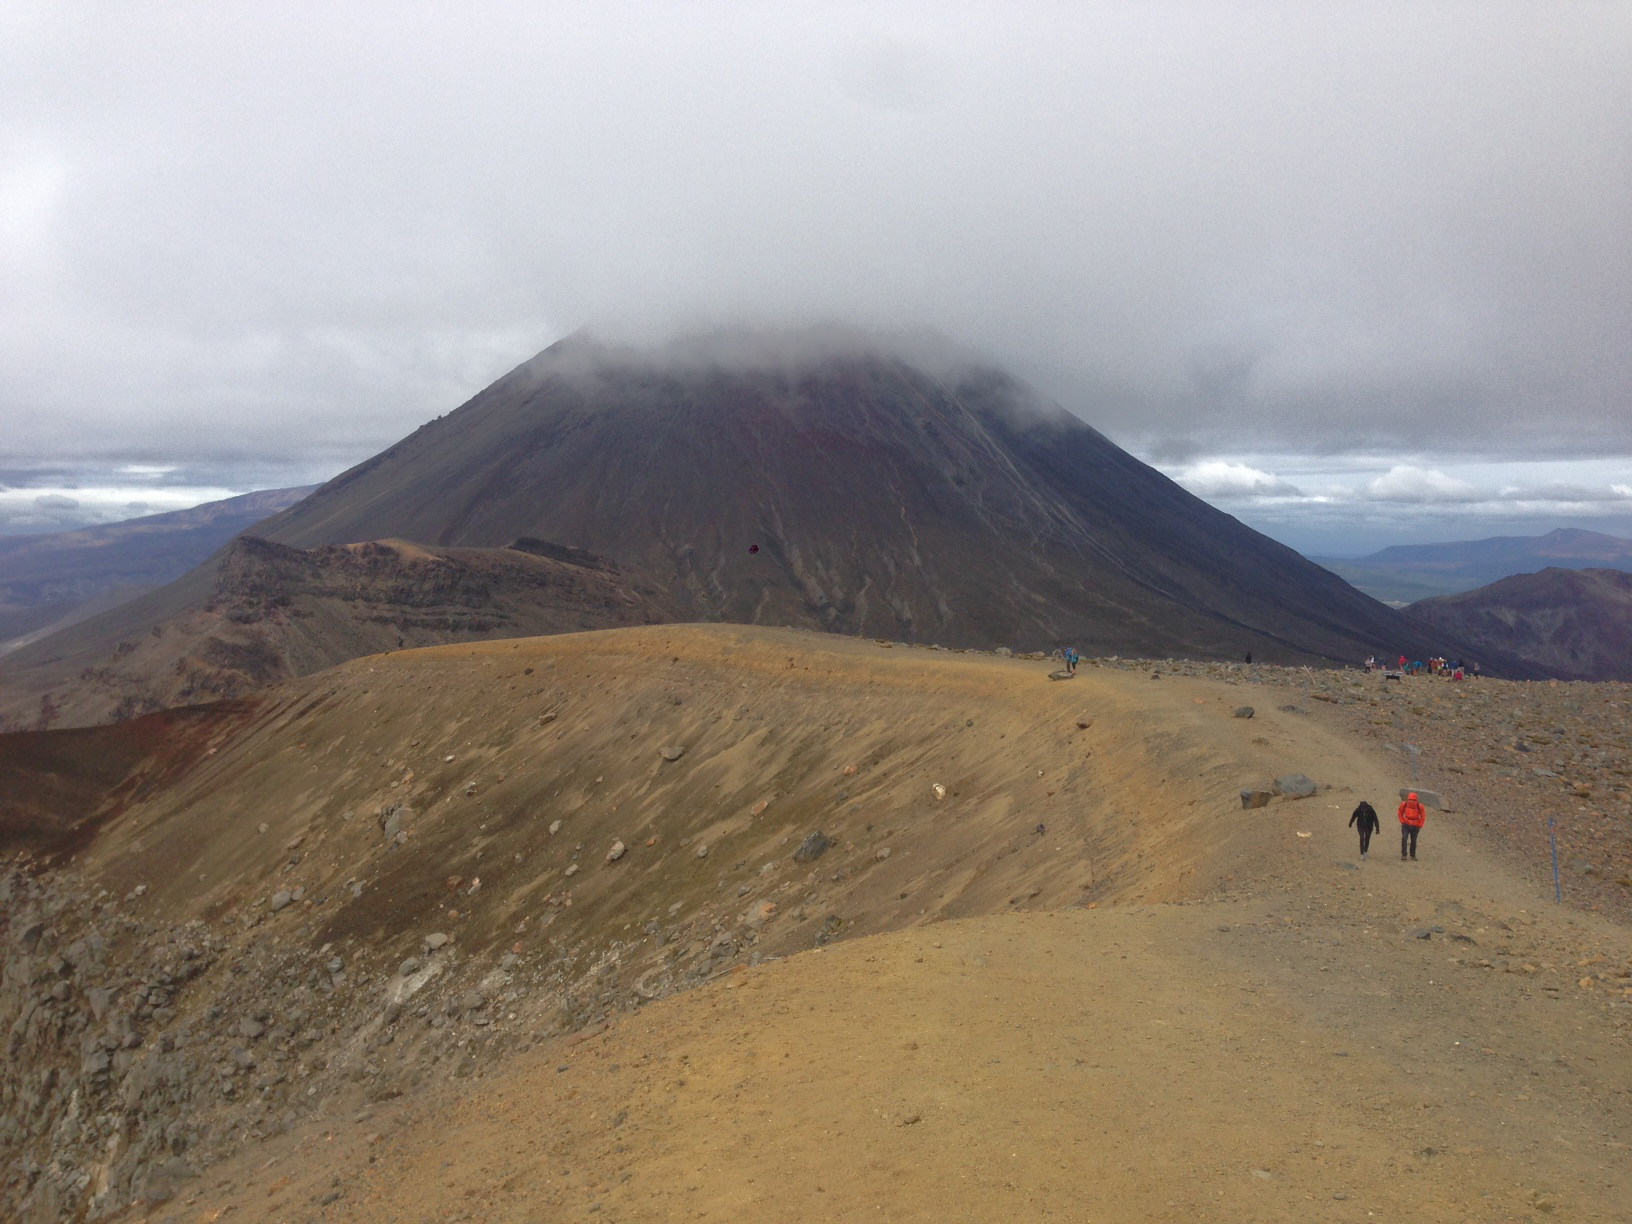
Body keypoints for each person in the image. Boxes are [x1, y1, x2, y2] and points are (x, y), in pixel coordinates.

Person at [1398, 791, 1427, 860]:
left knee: (1413, 840)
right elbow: (1400, 812)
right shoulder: (1404, 804)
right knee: (1404, 839)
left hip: (1415, 825)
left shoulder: (1420, 806)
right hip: (1406, 824)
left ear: (1416, 800)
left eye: (1413, 800)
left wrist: (1420, 825)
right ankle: (1404, 855)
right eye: (1410, 799)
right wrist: (1402, 821)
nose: (1411, 801)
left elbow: (1423, 816)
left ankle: (1412, 855)